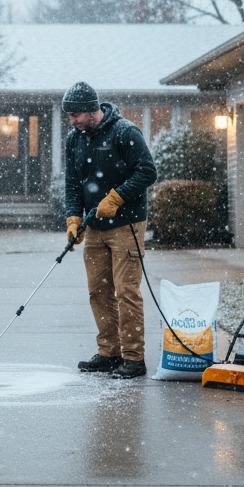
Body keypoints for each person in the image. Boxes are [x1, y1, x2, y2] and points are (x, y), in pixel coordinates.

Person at [63, 81, 157, 379]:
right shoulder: (74, 139)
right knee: (98, 292)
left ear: (92, 110)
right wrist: (73, 219)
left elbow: (147, 171)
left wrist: (116, 197)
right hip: (94, 227)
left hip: (126, 225)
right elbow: (73, 183)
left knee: (126, 291)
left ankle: (133, 358)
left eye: (76, 114)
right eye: (69, 116)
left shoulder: (124, 132)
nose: (72, 121)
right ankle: (108, 353)